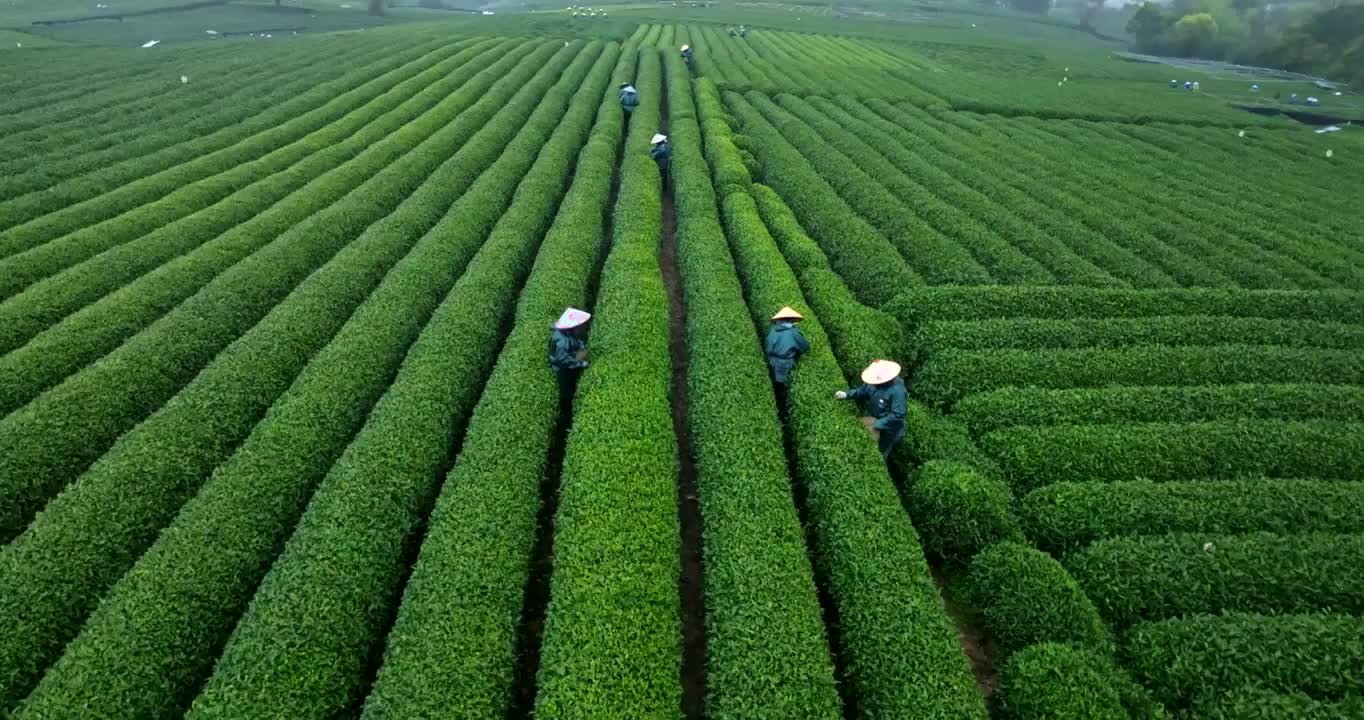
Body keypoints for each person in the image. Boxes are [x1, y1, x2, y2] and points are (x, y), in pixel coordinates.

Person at [834, 360, 907, 461]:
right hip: (876, 417)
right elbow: (863, 390)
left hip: (890, 429)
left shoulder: (897, 391)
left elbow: (898, 415)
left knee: (880, 452)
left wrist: (878, 424)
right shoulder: (874, 383)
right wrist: (846, 394)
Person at [548, 307, 590, 405]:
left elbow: (575, 341)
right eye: (580, 326)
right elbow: (563, 359)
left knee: (583, 353)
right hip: (561, 367)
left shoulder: (568, 334)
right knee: (567, 386)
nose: (583, 328)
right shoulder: (562, 341)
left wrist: (581, 347)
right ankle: (567, 403)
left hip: (570, 355)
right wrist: (580, 363)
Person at [764, 306, 809, 384]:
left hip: (771, 359)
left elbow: (768, 343)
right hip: (785, 362)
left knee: (773, 380)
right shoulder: (793, 332)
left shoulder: (773, 330)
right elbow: (804, 345)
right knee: (783, 383)